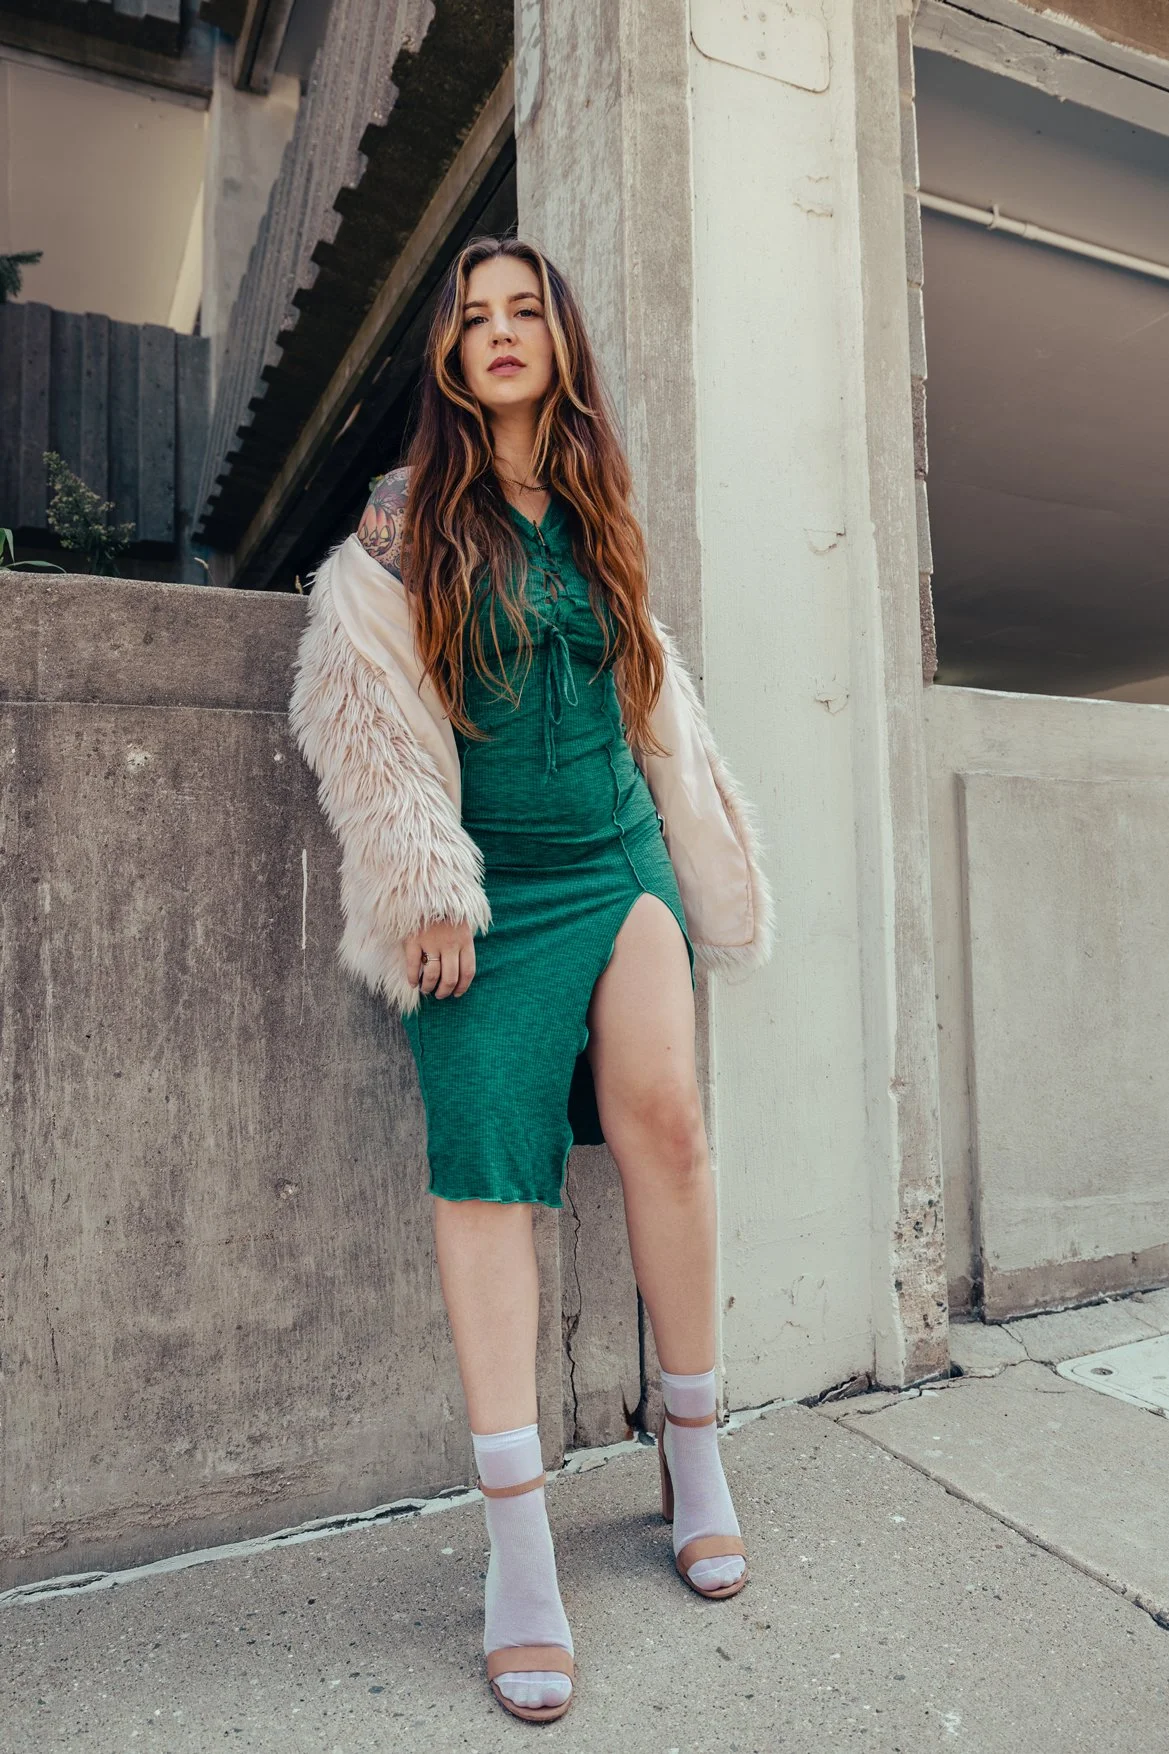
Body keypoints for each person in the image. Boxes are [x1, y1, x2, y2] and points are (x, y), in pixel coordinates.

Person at [290, 236, 772, 1725]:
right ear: (445, 352)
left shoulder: (597, 504)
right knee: (488, 1169)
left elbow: (651, 691)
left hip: (615, 855)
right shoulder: (401, 515)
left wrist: (699, 846)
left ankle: (693, 1445)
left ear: (559, 341)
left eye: (525, 314)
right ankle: (518, 1548)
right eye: (473, 317)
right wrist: (420, 876)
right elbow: (353, 687)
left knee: (668, 1127)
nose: (499, 335)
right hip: (495, 892)